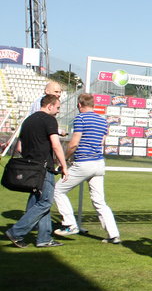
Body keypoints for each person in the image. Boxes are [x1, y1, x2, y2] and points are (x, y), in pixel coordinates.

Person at [52, 93, 121, 244]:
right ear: (93, 104)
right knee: (99, 201)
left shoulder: (80, 118)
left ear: (79, 105)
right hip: (98, 164)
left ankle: (70, 224)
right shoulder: (102, 121)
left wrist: (65, 158)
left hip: (84, 163)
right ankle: (113, 234)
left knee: (58, 190)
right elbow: (101, 142)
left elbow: (74, 143)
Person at [5, 94, 69, 248]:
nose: (58, 111)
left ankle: (44, 238)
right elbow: (55, 144)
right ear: (49, 106)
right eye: (57, 108)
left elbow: (19, 147)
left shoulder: (28, 121)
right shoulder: (49, 120)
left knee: (39, 202)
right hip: (42, 168)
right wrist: (64, 165)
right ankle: (16, 232)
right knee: (45, 202)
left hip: (29, 167)